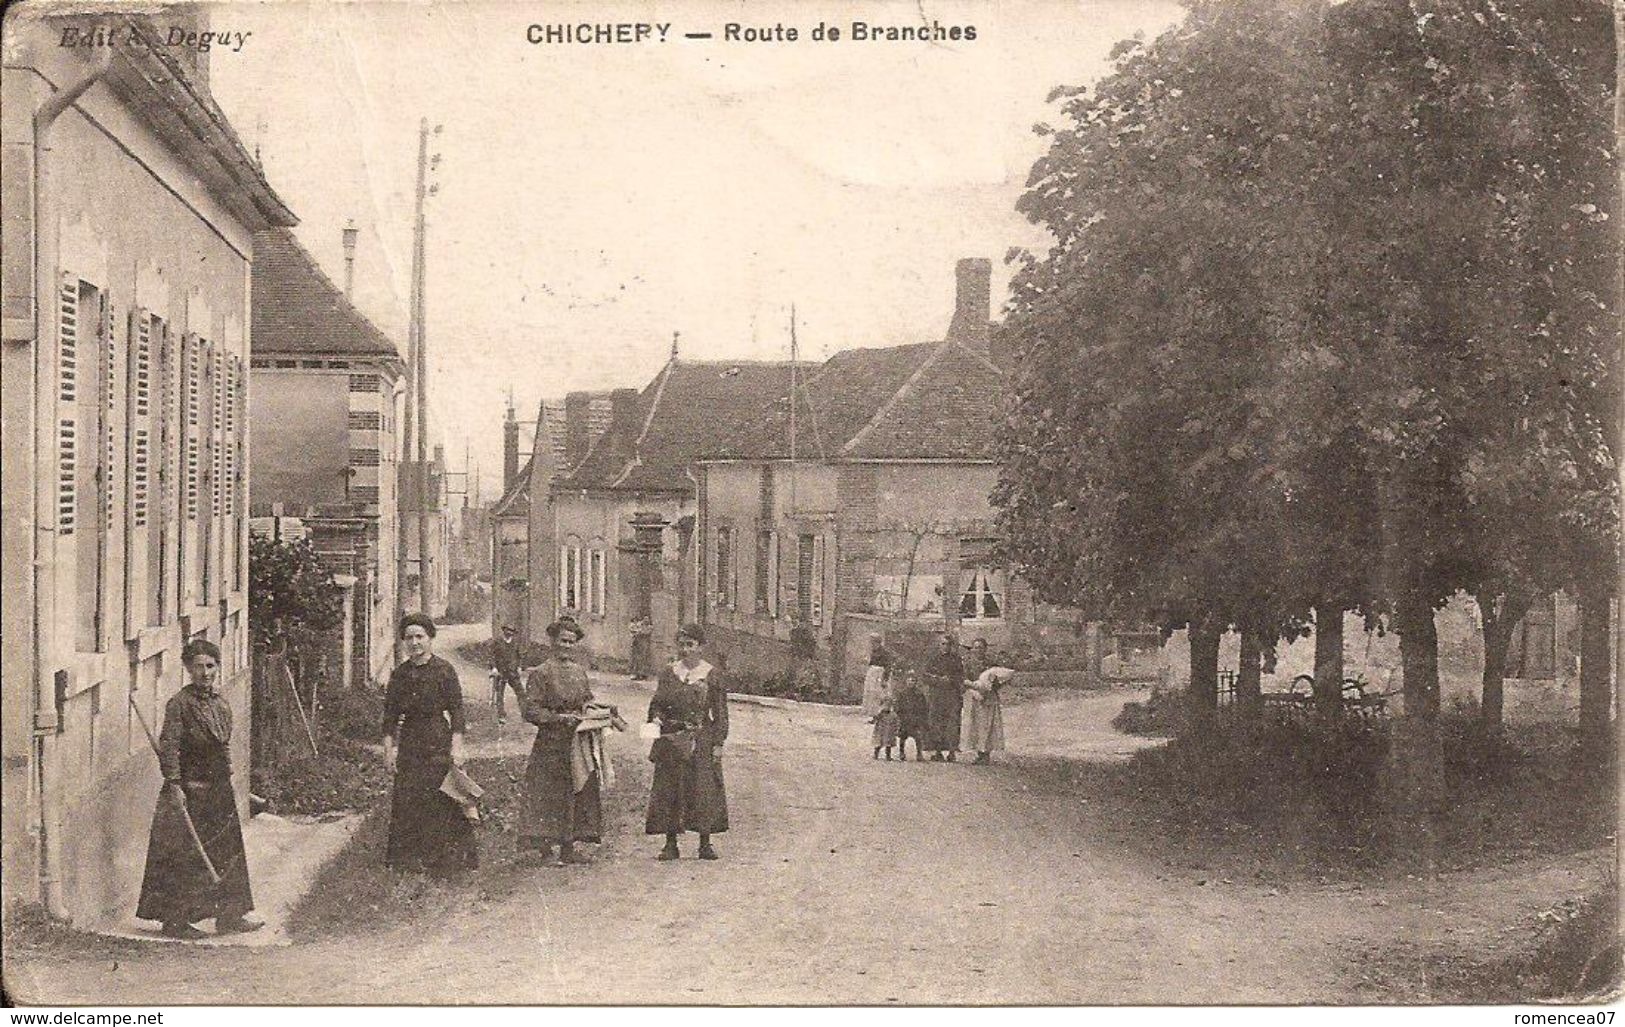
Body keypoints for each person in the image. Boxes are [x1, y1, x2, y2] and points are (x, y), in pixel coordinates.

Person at [136, 639, 261, 939]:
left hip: (218, 788)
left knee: (227, 850)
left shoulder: (220, 703)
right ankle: (176, 921)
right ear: (188, 669)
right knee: (187, 855)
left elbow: (223, 743)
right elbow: (169, 748)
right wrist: (175, 784)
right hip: (190, 790)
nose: (205, 673)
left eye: (210, 666)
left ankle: (230, 916)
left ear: (217, 667)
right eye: (198, 667)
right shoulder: (179, 705)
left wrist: (228, 769)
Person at [382, 613, 476, 875]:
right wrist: (389, 751)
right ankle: (409, 860)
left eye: (420, 637)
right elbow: (389, 717)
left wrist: (457, 746)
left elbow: (457, 711)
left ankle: (446, 859)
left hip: (437, 738)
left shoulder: (444, 670)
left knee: (440, 795)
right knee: (409, 797)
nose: (414, 643)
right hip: (411, 740)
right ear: (403, 642)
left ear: (430, 638)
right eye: (409, 638)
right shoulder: (400, 675)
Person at [518, 617, 602, 865]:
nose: (567, 646)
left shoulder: (578, 672)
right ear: (553, 642)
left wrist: (595, 710)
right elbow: (530, 711)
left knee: (577, 790)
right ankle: (545, 850)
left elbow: (586, 699)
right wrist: (557, 719)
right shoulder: (541, 673)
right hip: (550, 743)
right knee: (548, 793)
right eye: (563, 641)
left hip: (576, 742)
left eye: (571, 642)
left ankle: (569, 846)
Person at [645, 623, 729, 860]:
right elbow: (656, 705)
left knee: (703, 789)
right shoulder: (669, 673)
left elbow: (720, 713)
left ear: (700, 647)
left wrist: (718, 744)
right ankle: (670, 843)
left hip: (701, 737)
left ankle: (705, 843)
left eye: (690, 645)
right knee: (669, 788)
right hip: (672, 738)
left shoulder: (712, 675)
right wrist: (654, 731)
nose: (685, 650)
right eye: (681, 645)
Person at [922, 631, 966, 762]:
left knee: (952, 723)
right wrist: (937, 680)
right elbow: (925, 676)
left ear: (951, 645)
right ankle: (938, 751)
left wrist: (951, 680)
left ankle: (952, 751)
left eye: (948, 644)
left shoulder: (956, 659)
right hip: (936, 695)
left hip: (952, 694)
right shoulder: (932, 659)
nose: (945, 646)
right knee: (936, 722)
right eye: (943, 644)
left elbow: (961, 676)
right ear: (939, 645)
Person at [963, 665, 1013, 765]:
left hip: (987, 701)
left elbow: (987, 685)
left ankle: (985, 754)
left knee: (987, 726)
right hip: (977, 699)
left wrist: (969, 684)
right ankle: (980, 753)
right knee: (978, 726)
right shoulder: (972, 668)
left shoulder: (990, 671)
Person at [489, 624, 524, 725]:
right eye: (508, 630)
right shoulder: (497, 642)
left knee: (521, 692)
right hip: (500, 672)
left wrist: (519, 667)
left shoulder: (515, 643)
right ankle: (501, 715)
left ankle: (525, 713)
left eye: (512, 631)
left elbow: (519, 655)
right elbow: (492, 656)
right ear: (504, 630)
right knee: (499, 694)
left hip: (512, 672)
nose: (510, 633)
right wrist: (494, 668)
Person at [894, 671, 929, 762]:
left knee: (918, 737)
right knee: (902, 737)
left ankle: (919, 754)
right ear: (906, 682)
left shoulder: (919, 694)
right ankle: (901, 753)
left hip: (915, 719)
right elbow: (897, 706)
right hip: (905, 719)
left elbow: (924, 707)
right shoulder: (902, 693)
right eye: (909, 681)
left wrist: (921, 718)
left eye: (913, 681)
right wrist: (899, 715)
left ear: (915, 682)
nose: (910, 682)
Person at [860, 632, 892, 716]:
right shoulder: (873, 651)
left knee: (878, 694)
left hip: (879, 674)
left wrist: (885, 679)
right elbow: (872, 662)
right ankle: (871, 712)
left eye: (873, 642)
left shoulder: (884, 652)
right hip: (872, 674)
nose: (871, 644)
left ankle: (878, 713)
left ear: (877, 642)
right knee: (870, 692)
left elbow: (888, 666)